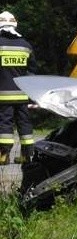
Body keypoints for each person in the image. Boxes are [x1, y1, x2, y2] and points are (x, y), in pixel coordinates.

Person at [0, 11, 36, 164]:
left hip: (3, 95)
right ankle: (27, 156)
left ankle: (3, 155)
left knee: (4, 123)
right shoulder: (26, 45)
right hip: (22, 94)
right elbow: (32, 70)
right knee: (24, 123)